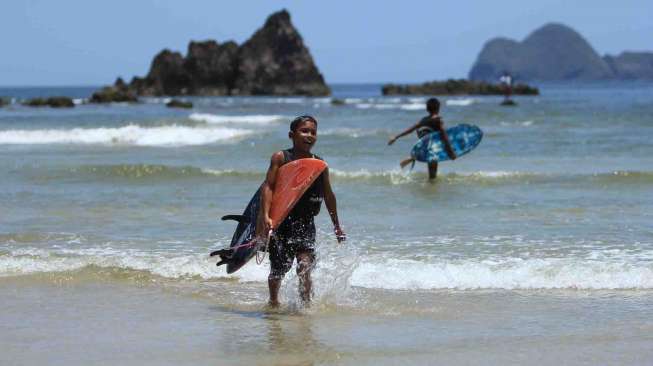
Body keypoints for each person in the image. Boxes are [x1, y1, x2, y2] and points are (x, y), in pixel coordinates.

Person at [256, 115, 346, 308]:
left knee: (305, 266)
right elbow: (268, 187)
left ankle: (306, 307)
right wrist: (265, 216)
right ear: (291, 134)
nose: (310, 135)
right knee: (278, 270)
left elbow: (329, 196)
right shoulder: (280, 157)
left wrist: (336, 225)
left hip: (306, 222)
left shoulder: (319, 164)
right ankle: (273, 302)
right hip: (281, 222)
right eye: (304, 131)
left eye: (313, 132)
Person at [387, 97, 456, 180]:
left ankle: (404, 163)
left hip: (423, 146)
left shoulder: (423, 120)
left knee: (421, 158)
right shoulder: (438, 120)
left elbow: (410, 130)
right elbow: (444, 137)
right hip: (432, 149)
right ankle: (431, 189)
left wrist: (396, 137)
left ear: (427, 109)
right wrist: (450, 152)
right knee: (432, 176)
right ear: (438, 108)